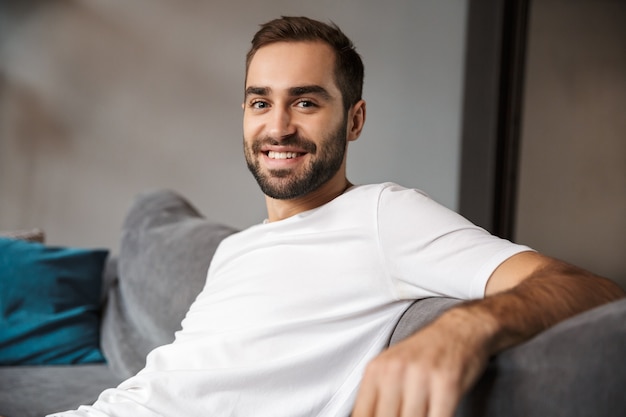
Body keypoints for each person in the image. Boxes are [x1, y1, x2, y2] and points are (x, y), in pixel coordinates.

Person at [50, 16, 624, 417]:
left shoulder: (383, 215)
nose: (276, 128)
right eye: (259, 102)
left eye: (305, 101)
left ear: (354, 119)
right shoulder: (235, 251)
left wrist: (465, 326)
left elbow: (587, 287)